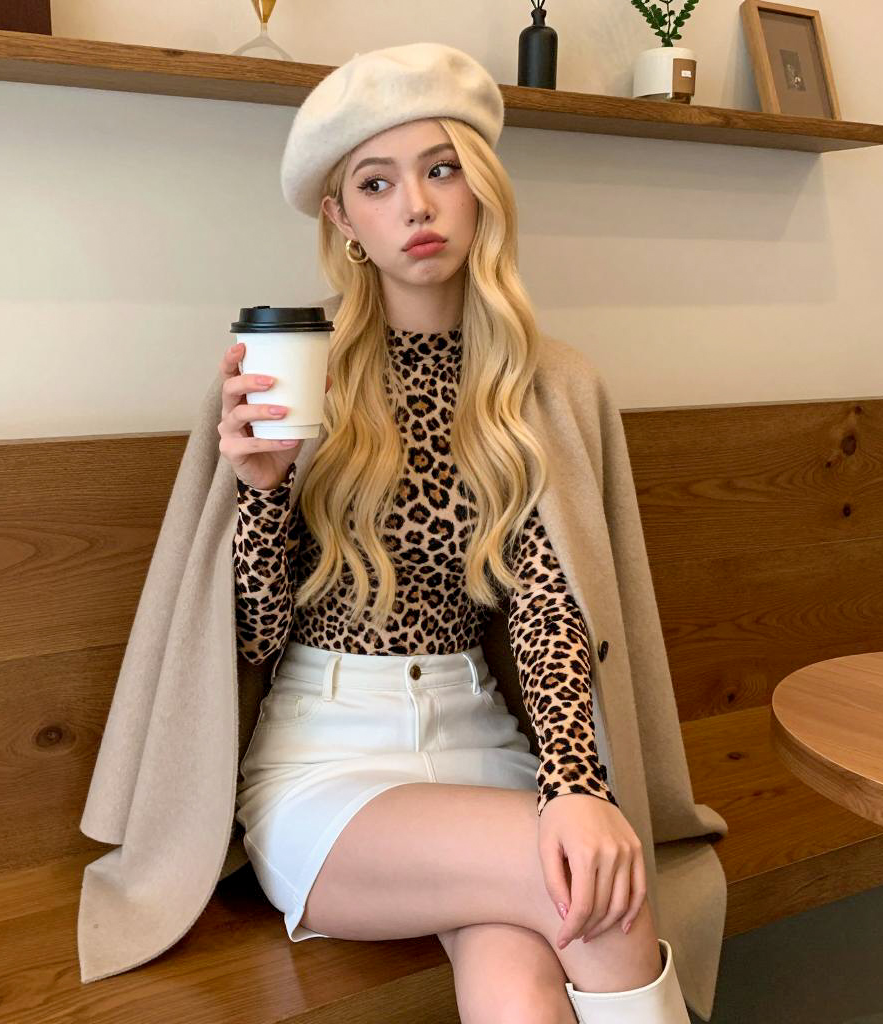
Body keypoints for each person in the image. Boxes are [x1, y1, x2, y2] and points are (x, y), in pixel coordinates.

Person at [217, 42, 692, 1024]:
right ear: (341, 219)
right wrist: (260, 492)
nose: (416, 206)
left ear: (481, 188)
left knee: (526, 980)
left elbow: (550, 606)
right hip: (327, 757)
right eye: (376, 183)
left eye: (441, 170)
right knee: (596, 893)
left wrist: (574, 781)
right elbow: (248, 641)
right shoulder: (296, 368)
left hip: (486, 742)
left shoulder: (542, 385)